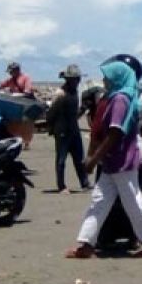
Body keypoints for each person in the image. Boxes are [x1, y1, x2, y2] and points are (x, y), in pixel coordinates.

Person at [65, 58, 142, 259]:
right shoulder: (117, 97)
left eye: (107, 77)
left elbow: (115, 133)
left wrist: (93, 159)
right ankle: (86, 242)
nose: (104, 80)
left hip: (122, 160)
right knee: (99, 201)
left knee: (132, 200)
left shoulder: (120, 99)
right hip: (113, 161)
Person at [47, 63, 91, 193]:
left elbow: (74, 115)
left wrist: (83, 109)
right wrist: (52, 129)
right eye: (75, 79)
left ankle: (84, 183)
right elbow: (51, 113)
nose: (77, 81)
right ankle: (61, 186)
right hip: (62, 130)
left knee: (79, 159)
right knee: (61, 159)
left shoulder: (76, 92)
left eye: (78, 79)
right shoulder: (60, 94)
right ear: (68, 79)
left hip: (73, 129)